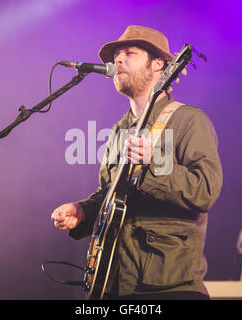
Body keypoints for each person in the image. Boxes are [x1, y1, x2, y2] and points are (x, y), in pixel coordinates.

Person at [51, 25, 223, 300]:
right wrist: (82, 211)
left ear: (158, 64)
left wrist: (153, 162)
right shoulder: (119, 130)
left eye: (129, 53)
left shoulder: (188, 120)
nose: (117, 60)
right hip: (112, 283)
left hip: (169, 287)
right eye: (116, 55)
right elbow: (112, 195)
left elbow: (205, 191)